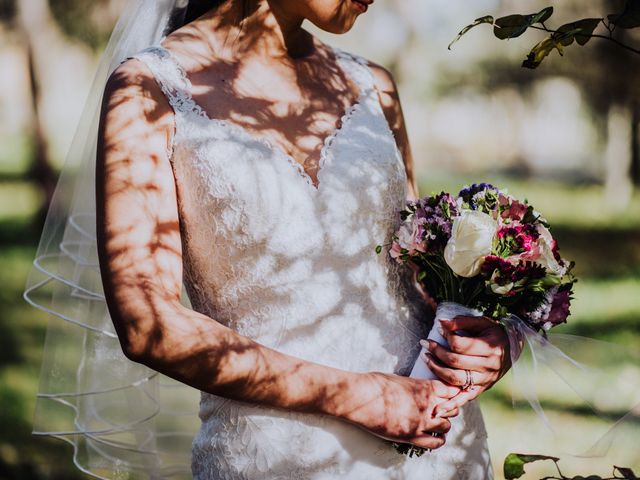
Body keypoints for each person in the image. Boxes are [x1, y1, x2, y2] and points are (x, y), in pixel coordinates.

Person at [30, 0, 513, 478]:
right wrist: (358, 395)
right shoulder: (147, 89)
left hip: (439, 443)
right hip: (274, 455)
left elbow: (416, 271)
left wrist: (487, 342)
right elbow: (147, 323)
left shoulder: (374, 86)